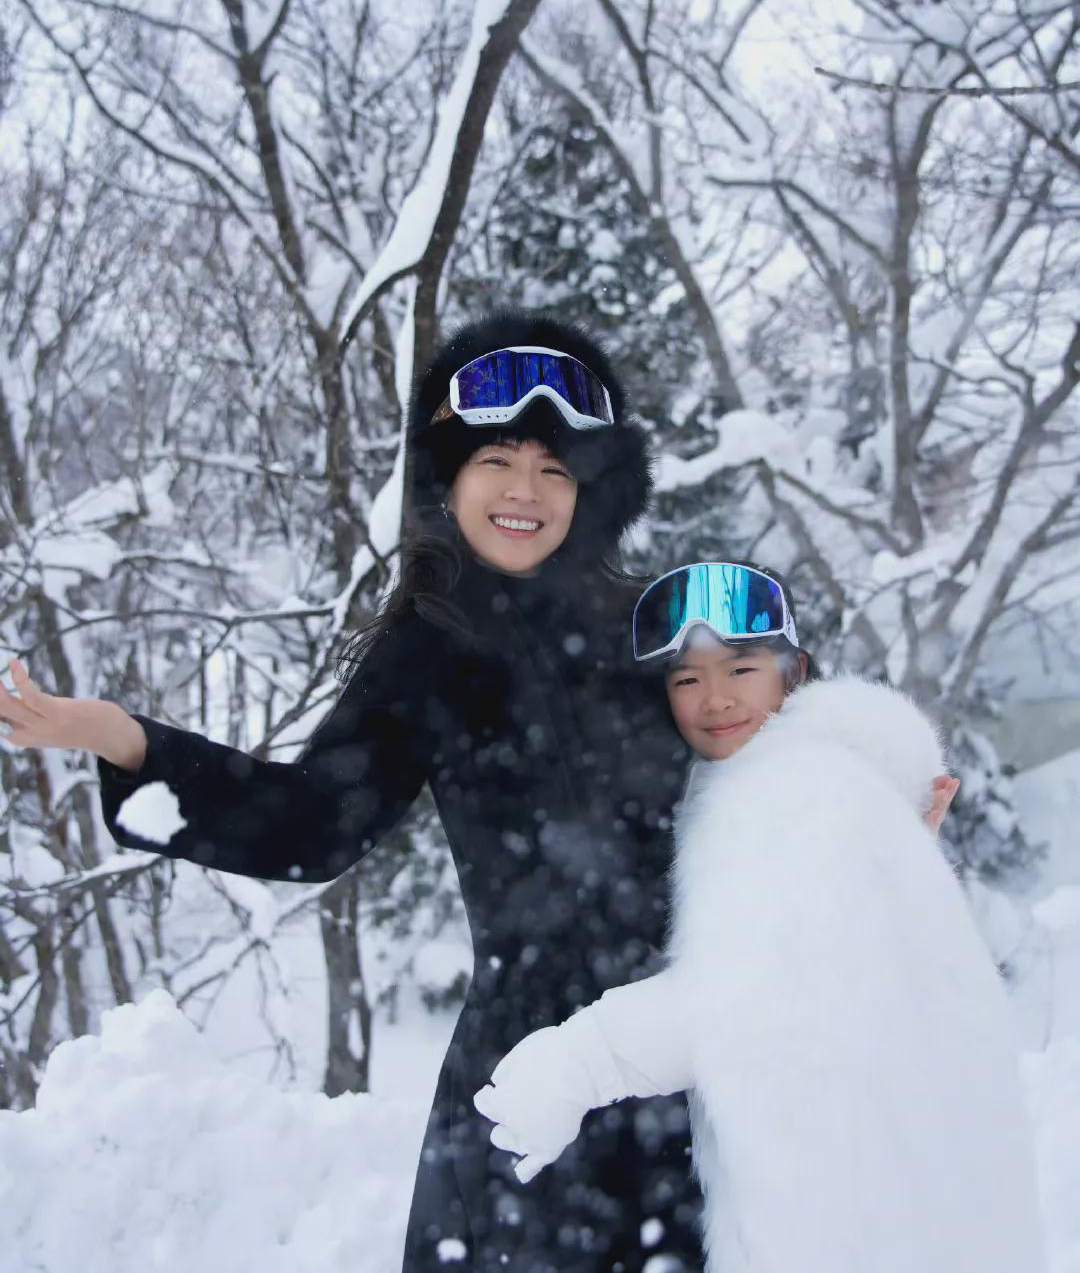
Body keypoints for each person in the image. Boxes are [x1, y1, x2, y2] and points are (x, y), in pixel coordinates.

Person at [0, 311, 704, 1273]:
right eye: (497, 460)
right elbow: (312, 823)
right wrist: (124, 741)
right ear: (446, 481)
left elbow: (756, 749)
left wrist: (859, 808)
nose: (525, 492)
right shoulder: (430, 647)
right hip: (527, 1064)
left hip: (693, 1040)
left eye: (555, 469)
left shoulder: (662, 627)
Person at [474, 561, 1045, 1273]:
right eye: (686, 679)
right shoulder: (810, 782)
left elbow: (740, 1000)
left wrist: (583, 1060)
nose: (714, 699)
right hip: (896, 1201)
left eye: (740, 668)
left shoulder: (798, 794)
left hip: (847, 1218)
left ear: (794, 672)